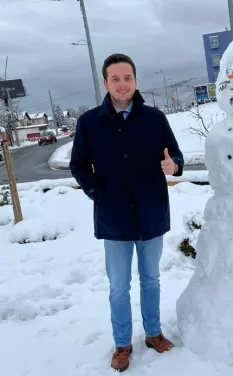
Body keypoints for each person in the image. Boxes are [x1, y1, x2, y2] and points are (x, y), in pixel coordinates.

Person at [69, 53, 184, 372]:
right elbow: (78, 164)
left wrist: (173, 164)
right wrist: (97, 192)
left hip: (151, 214)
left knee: (151, 279)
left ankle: (153, 334)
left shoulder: (154, 119)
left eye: (128, 78)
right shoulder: (90, 122)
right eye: (115, 79)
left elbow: (175, 153)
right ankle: (122, 343)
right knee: (119, 286)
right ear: (105, 83)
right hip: (114, 218)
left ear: (136, 81)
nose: (122, 84)